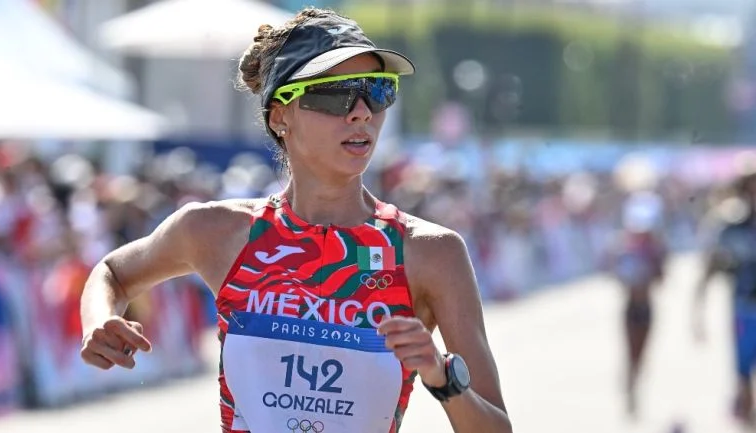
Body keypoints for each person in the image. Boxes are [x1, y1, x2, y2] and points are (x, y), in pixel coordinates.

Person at [79, 7, 512, 433]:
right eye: (336, 94)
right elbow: (113, 273)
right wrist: (98, 321)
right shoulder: (218, 232)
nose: (362, 112)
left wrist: (443, 378)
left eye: (378, 90)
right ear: (280, 115)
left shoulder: (430, 253)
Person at [693, 168, 756, 426]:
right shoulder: (731, 230)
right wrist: (698, 314)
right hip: (745, 311)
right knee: (743, 375)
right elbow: (709, 270)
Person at [607, 190, 667, 417]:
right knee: (630, 352)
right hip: (631, 307)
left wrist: (654, 262)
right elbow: (615, 275)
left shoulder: (654, 249)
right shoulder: (624, 248)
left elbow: (661, 279)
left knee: (641, 354)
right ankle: (630, 388)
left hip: (647, 307)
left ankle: (634, 386)